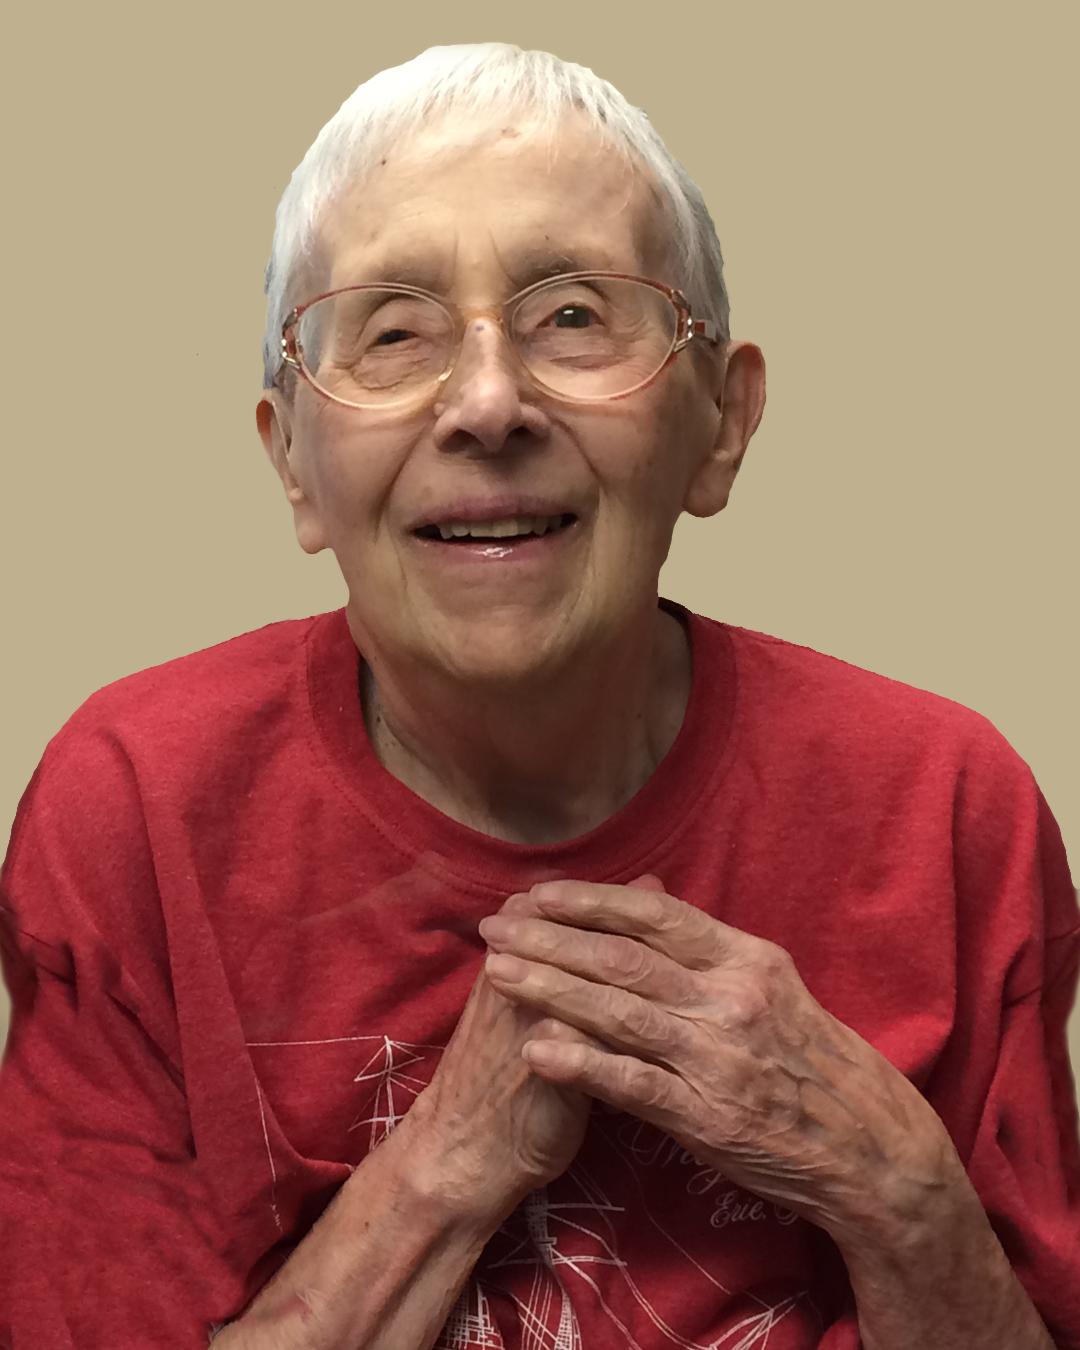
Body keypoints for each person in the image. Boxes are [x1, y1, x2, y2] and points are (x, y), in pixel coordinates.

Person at [1, 40, 1077, 1350]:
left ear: (721, 423)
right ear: (293, 465)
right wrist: (448, 1161)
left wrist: (893, 1188)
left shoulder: (943, 805)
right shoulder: (135, 806)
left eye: (572, 314)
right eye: (394, 330)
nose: (489, 401)